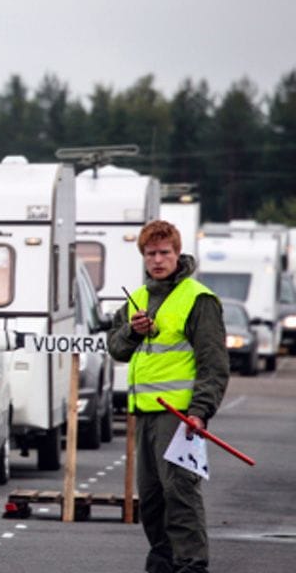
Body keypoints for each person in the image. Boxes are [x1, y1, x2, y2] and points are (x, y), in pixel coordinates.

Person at [108, 220, 228, 573]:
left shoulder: (198, 299)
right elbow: (115, 347)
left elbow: (214, 363)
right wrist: (132, 331)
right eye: (150, 254)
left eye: (164, 253)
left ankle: (191, 564)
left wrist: (201, 411)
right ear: (143, 257)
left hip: (179, 417)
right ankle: (162, 562)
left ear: (178, 253)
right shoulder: (139, 299)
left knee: (180, 494)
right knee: (152, 498)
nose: (158, 260)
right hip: (145, 413)